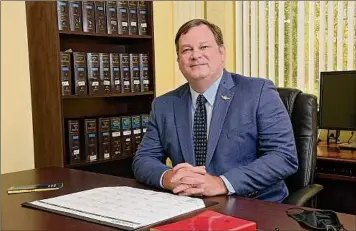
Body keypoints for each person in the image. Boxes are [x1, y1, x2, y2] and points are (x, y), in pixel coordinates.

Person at [132, 19, 298, 202]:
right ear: (179, 60)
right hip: (188, 205)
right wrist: (168, 177)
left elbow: (283, 156)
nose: (195, 55)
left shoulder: (258, 92)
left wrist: (221, 183)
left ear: (222, 53)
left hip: (251, 205)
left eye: (204, 47)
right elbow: (143, 160)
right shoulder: (164, 105)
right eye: (186, 50)